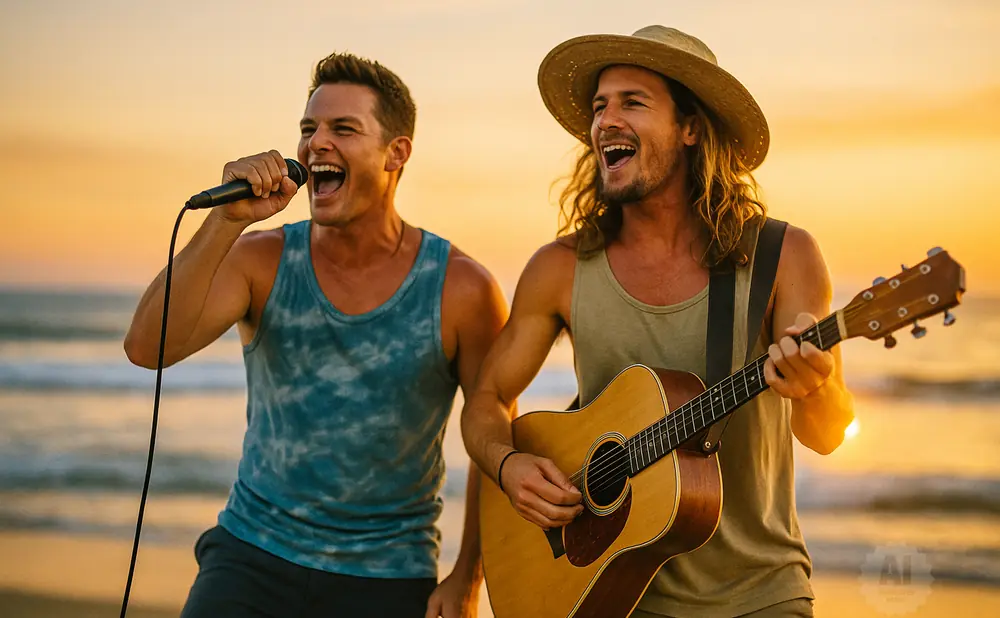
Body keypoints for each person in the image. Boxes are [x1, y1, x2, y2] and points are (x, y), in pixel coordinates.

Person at [461, 25, 855, 617]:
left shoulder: (781, 256)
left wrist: (814, 386)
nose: (606, 121)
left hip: (761, 594)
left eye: (633, 103)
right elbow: (486, 400)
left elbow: (826, 433)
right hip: (602, 593)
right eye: (600, 106)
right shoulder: (560, 268)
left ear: (691, 128)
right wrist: (508, 464)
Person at [124, 51, 507, 618]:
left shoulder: (462, 288)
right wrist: (226, 221)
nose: (315, 143)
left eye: (343, 129)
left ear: (396, 152)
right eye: (308, 129)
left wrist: (468, 576)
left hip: (389, 573)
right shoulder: (260, 259)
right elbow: (146, 347)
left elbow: (493, 437)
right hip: (251, 556)